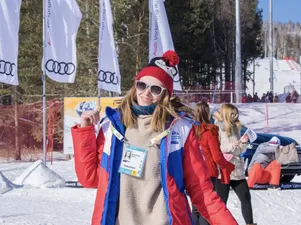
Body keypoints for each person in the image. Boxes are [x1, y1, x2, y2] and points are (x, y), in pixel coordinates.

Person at [71, 50, 238, 225]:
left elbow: (201, 191)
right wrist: (85, 130)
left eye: (156, 89)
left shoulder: (180, 130)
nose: (146, 93)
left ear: (165, 95)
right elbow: (89, 179)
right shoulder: (111, 127)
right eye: (142, 85)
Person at [191, 101, 236, 225]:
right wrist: (227, 165)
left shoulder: (190, 130)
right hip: (208, 172)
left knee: (195, 208)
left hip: (193, 172)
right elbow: (216, 156)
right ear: (207, 113)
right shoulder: (210, 131)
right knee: (206, 207)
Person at [213, 104, 256, 225]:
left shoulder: (235, 127)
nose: (235, 116)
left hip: (237, 169)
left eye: (236, 114)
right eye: (232, 114)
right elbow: (217, 148)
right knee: (221, 202)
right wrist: (234, 144)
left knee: (246, 197)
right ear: (226, 113)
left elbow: (239, 150)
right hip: (224, 170)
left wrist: (243, 143)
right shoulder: (217, 128)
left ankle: (250, 223)